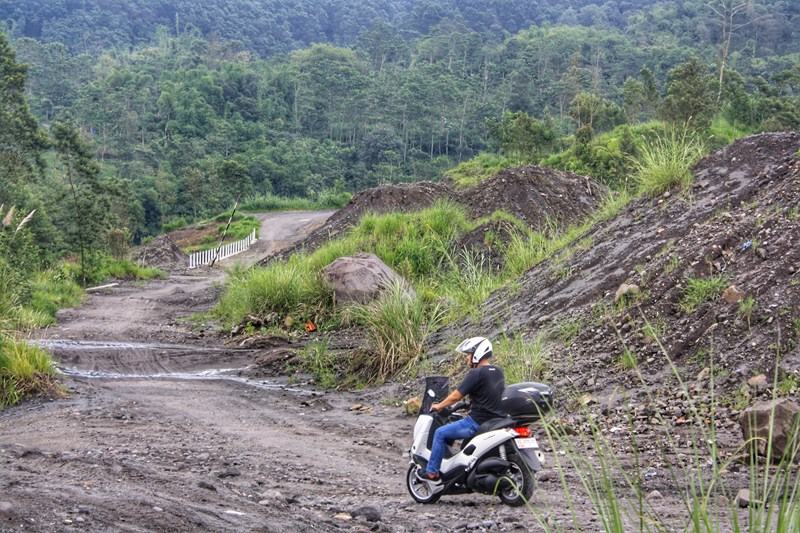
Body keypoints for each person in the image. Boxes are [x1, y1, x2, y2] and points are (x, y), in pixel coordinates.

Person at [419, 336, 506, 483]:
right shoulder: (498, 371)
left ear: (477, 353)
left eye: (468, 354)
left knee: (440, 433)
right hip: (497, 421)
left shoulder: (476, 373)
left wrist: (439, 406)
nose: (467, 358)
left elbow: (455, 396)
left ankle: (432, 472)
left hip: (477, 422)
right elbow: (489, 395)